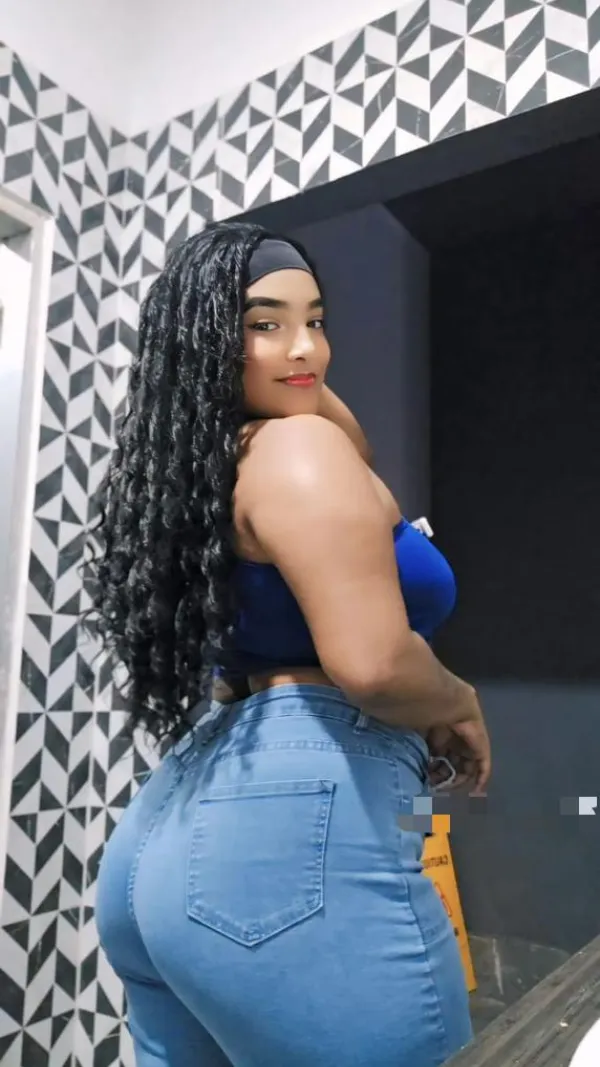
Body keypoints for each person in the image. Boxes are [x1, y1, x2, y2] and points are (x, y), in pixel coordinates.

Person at [92, 221, 491, 1067]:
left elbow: (349, 437)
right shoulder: (299, 450)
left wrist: (278, 348)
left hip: (170, 832)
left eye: (316, 319)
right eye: (264, 323)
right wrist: (459, 699)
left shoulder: (217, 462)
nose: (306, 347)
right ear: (210, 340)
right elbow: (373, 664)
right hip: (289, 832)